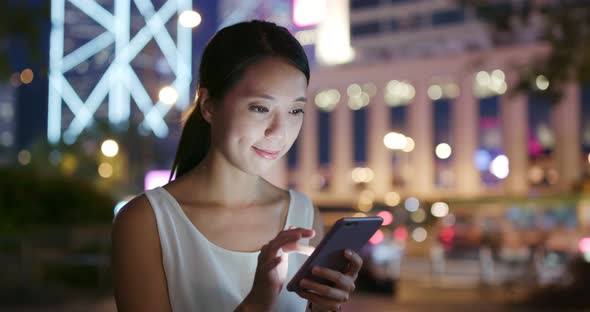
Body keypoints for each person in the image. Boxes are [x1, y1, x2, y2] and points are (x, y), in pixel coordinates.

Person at [111, 20, 363, 312]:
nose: (279, 132)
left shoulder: (303, 215)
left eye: (295, 110)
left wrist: (325, 307)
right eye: (260, 108)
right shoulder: (145, 222)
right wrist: (255, 304)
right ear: (208, 105)